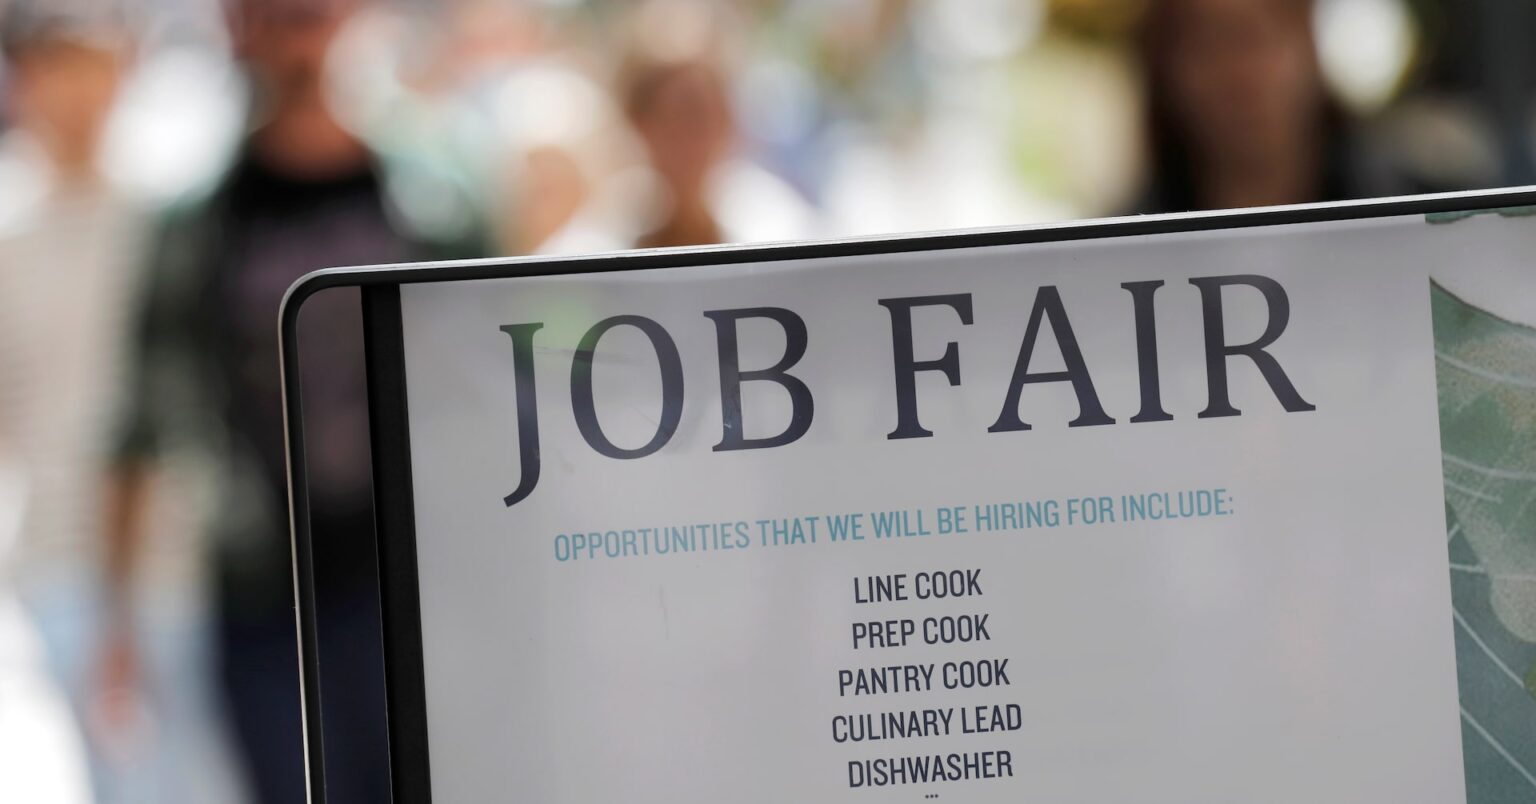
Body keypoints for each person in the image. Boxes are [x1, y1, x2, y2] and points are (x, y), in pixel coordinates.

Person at [111, 0, 488, 800]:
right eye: (272, 16)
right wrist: (120, 626)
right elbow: (142, 414)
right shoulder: (200, 221)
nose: (296, 37)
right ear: (238, 30)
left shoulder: (435, 200)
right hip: (264, 591)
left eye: (310, 14)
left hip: (418, 579)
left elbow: (503, 378)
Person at [0, 4, 248, 801]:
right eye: (57, 68)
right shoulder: (9, 226)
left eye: (93, 66)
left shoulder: (168, 211)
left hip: (176, 543)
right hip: (57, 549)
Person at [1135, 0, 1404, 213]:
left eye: (1256, 37)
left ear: (1308, 43)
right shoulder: (1122, 255)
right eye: (1206, 44)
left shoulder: (1419, 215)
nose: (1239, 76)